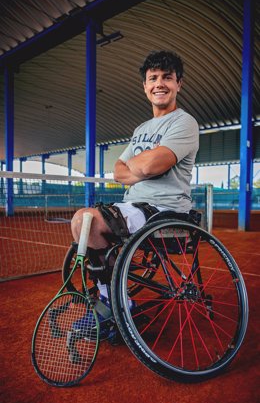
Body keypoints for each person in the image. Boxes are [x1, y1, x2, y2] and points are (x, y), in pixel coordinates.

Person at [69, 50, 199, 342]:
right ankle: (115, 302)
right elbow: (117, 171)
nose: (159, 84)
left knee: (86, 219)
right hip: (133, 206)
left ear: (180, 83)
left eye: (167, 77)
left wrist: (141, 167)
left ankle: (113, 308)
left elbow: (154, 163)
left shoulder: (184, 123)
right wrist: (140, 169)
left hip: (163, 210)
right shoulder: (141, 129)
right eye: (153, 78)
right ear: (145, 86)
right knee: (83, 223)